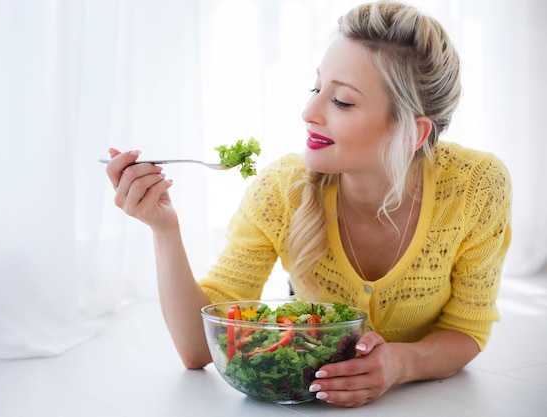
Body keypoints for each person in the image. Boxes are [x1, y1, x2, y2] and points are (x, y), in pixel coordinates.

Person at [104, 0, 512, 408]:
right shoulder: (282, 189)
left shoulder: (476, 188)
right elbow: (199, 348)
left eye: (343, 101)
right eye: (316, 88)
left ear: (412, 133)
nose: (308, 112)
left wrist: (400, 364)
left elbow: (466, 330)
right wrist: (164, 227)